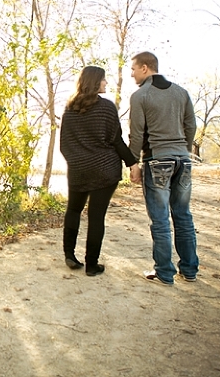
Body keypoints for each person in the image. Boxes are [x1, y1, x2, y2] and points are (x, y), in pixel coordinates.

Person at [128, 51, 199, 285]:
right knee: (183, 215)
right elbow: (191, 126)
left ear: (145, 68)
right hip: (183, 160)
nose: (132, 74)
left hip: (157, 159)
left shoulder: (140, 96)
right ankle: (189, 270)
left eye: (133, 69)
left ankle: (164, 273)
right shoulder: (181, 92)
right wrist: (182, 151)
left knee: (160, 220)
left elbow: (137, 134)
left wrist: (133, 163)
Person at [59, 66, 137, 276]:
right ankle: (91, 265)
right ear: (95, 82)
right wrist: (132, 163)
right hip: (105, 169)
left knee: (73, 210)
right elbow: (116, 141)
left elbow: (64, 145)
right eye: (103, 79)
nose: (106, 83)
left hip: (79, 170)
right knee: (96, 216)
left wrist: (77, 162)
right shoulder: (106, 108)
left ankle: (69, 255)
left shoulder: (69, 110)